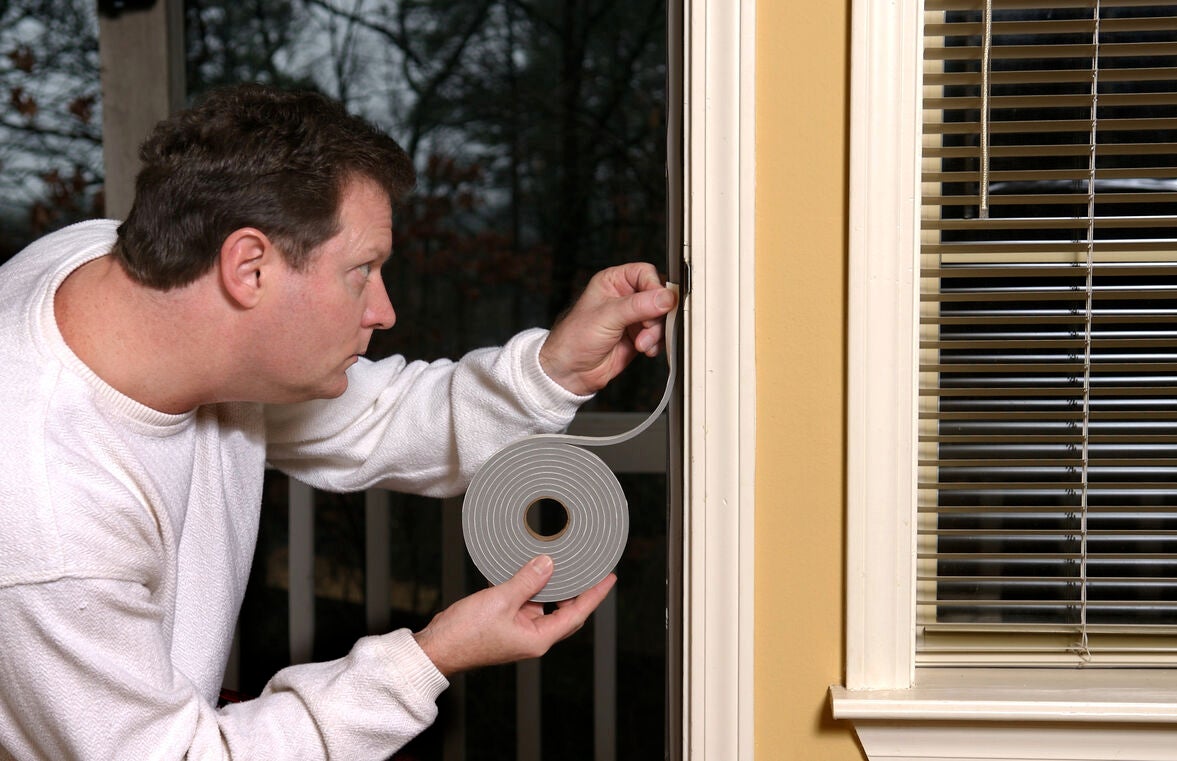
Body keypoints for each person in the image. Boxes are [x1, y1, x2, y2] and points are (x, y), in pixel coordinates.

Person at [0, 83, 676, 760]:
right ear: (250, 267)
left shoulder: (120, 268)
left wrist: (556, 369)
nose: (384, 310)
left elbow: (374, 418)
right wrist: (428, 659)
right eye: (363, 270)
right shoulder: (48, 512)